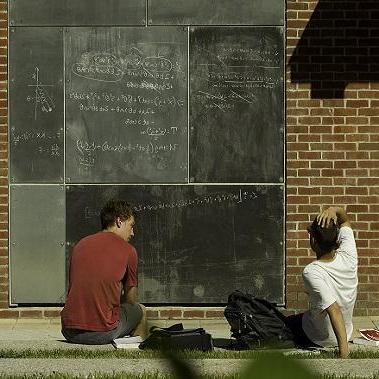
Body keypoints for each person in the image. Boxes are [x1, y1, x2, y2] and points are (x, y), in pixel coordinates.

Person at [61, 199, 147, 345]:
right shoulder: (128, 250)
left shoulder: (80, 245)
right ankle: (137, 346)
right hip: (103, 332)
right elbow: (130, 300)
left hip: (69, 331)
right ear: (119, 221)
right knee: (140, 310)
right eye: (131, 226)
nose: (132, 232)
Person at [286, 206, 358, 358]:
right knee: (304, 316)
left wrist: (344, 356)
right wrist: (334, 210)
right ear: (337, 238)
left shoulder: (312, 271)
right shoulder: (349, 255)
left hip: (319, 338)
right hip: (347, 331)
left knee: (280, 324)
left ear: (314, 242)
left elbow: (334, 310)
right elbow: (344, 220)